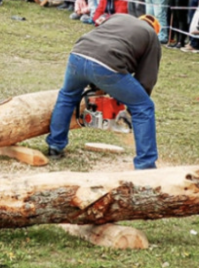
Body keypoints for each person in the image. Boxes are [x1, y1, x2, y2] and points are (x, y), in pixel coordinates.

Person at [47, 14, 162, 170]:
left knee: (67, 96)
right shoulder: (151, 36)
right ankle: (146, 164)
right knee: (144, 107)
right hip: (107, 63)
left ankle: (55, 145)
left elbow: (101, 40)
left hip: (78, 54)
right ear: (155, 30)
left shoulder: (120, 17)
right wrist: (133, 103)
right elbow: (146, 78)